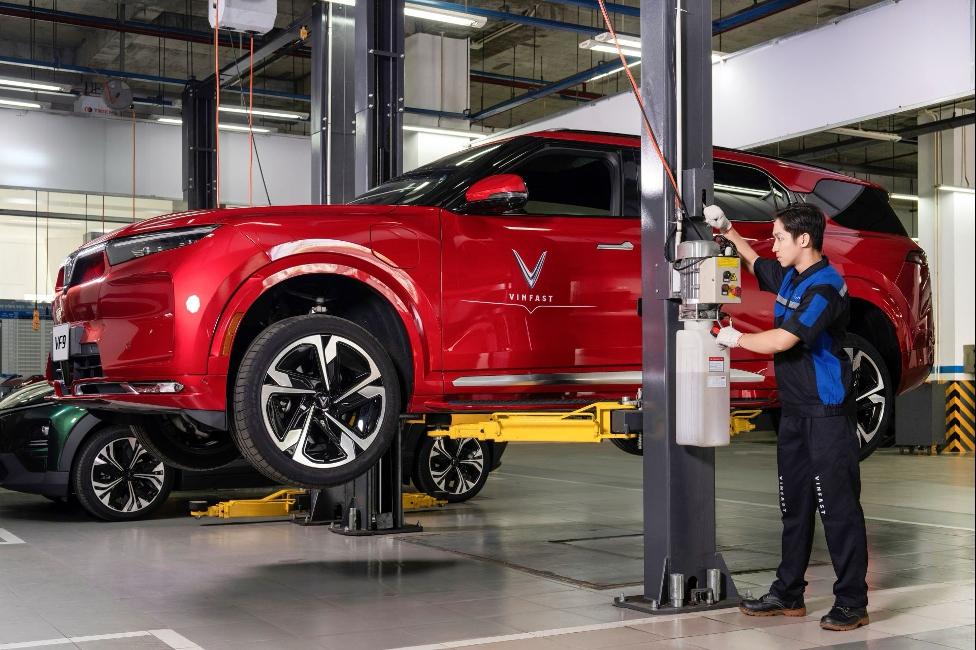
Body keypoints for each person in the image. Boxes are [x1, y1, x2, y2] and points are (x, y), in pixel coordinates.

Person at [704, 202, 869, 632]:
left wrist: (733, 337)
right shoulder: (792, 276)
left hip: (826, 412)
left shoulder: (826, 288)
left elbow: (783, 340)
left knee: (838, 510)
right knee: (794, 507)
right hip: (794, 411)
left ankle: (852, 602)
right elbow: (756, 262)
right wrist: (727, 229)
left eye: (779, 238)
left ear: (804, 239)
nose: (773, 246)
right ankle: (788, 593)